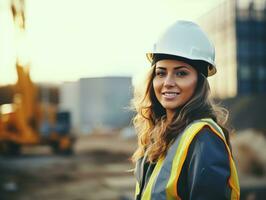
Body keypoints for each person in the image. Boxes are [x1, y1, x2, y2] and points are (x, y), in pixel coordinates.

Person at [131, 20, 240, 200]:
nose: (168, 82)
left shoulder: (204, 139)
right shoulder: (157, 137)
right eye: (161, 73)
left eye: (181, 73)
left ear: (199, 82)